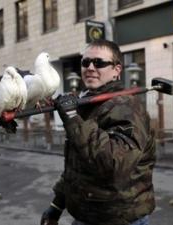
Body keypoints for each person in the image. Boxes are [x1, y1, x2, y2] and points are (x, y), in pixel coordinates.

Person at [40, 40, 156, 225]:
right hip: (87, 215)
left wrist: (73, 118)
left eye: (99, 63)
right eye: (85, 62)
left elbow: (113, 164)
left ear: (117, 69)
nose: (90, 67)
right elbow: (77, 167)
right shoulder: (88, 103)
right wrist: (57, 204)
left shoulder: (127, 107)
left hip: (119, 218)